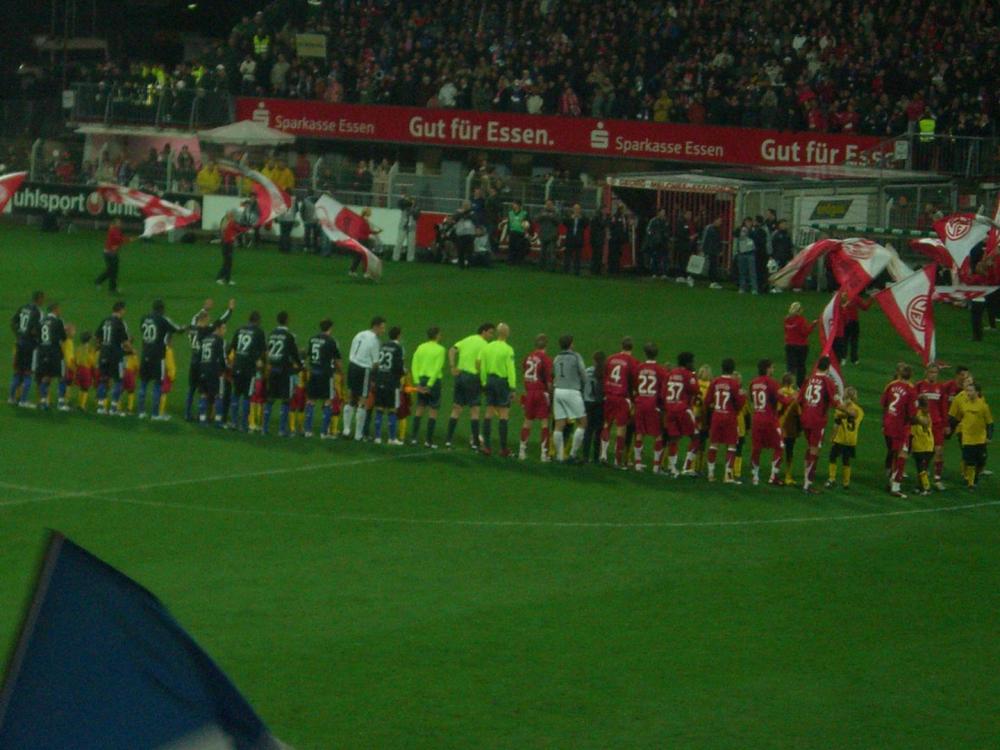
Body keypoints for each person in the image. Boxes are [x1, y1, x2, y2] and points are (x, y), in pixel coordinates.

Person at [445, 322, 495, 449]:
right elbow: (479, 364)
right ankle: (475, 442)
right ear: (483, 331)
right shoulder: (485, 345)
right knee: (475, 411)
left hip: (460, 376)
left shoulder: (468, 339)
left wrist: (452, 366)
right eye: (490, 332)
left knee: (456, 408)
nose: (491, 335)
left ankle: (448, 440)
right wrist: (483, 380)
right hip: (473, 378)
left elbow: (452, 350)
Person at [184, 299, 234, 421]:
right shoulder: (205, 330)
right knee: (207, 389)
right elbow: (220, 321)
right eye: (208, 320)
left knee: (192, 388)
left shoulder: (191, 329)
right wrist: (230, 310)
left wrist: (204, 309)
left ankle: (187, 413)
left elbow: (196, 317)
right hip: (202, 361)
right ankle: (210, 415)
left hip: (193, 359)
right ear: (204, 320)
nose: (209, 322)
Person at [798, 356, 842, 493]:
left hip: (805, 418)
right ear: (828, 368)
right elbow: (835, 403)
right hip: (817, 420)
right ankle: (808, 484)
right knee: (814, 449)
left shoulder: (809, 379)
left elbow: (799, 399)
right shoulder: (827, 381)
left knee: (810, 447)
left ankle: (806, 479)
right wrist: (848, 411)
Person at [137, 300, 186, 420]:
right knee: (158, 385)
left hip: (145, 354)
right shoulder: (163, 319)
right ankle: (155, 414)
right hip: (158, 356)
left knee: (143, 383)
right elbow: (177, 329)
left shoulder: (144, 318)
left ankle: (141, 412)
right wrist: (185, 327)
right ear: (162, 309)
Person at [343, 316, 385, 440]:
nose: (383, 330)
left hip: (352, 366)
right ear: (376, 326)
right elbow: (376, 362)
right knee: (362, 400)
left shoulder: (359, 334)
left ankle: (346, 430)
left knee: (351, 397)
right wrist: (374, 377)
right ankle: (358, 434)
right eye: (382, 327)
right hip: (364, 369)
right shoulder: (375, 341)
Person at [704, 358, 745, 483]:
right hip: (730, 417)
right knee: (731, 445)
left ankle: (710, 474)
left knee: (713, 444)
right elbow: (739, 404)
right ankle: (727, 475)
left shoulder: (715, 381)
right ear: (732, 369)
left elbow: (707, 401)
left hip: (717, 416)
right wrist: (743, 396)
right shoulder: (734, 384)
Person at [478, 322, 516, 456]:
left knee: (488, 412)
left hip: (489, 381)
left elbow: (482, 367)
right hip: (502, 383)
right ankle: (503, 449)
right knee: (504, 414)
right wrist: (512, 387)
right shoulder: (508, 349)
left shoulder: (487, 348)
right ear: (507, 334)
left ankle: (487, 447)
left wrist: (483, 382)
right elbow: (510, 369)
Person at [600, 338, 639, 467]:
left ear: (621, 346)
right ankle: (617, 460)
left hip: (609, 396)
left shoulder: (610, 358)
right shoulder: (633, 362)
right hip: (622, 398)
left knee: (607, 424)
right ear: (632, 348)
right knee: (621, 428)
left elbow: (604, 375)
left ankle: (603, 455)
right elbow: (635, 382)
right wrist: (634, 400)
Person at [263, 311, 302, 437]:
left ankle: (264, 428)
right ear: (287, 320)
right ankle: (281, 430)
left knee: (270, 399)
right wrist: (300, 366)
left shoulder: (272, 334)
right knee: (286, 400)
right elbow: (294, 354)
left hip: (273, 369)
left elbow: (268, 350)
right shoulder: (288, 335)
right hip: (284, 370)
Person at [881, 363, 917, 498]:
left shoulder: (891, 385)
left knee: (894, 453)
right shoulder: (911, 390)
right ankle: (896, 486)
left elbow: (883, 403)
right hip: (901, 427)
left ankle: (891, 482)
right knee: (902, 455)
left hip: (888, 423)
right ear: (911, 375)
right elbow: (912, 415)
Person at [662, 351, 700, 477]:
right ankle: (687, 467)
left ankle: (672, 468)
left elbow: (664, 392)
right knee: (696, 437)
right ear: (687, 362)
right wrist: (694, 374)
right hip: (683, 409)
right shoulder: (688, 374)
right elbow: (695, 390)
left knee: (674, 439)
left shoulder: (671, 373)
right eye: (692, 362)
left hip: (670, 408)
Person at [551, 334, 589, 463]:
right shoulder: (575, 356)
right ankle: (572, 454)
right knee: (583, 422)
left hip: (558, 391)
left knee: (559, 425)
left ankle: (560, 456)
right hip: (572, 391)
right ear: (571, 344)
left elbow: (554, 375)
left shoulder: (556, 358)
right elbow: (584, 374)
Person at [228, 310, 268, 432]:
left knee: (236, 393)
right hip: (249, 368)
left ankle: (234, 422)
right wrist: (262, 362)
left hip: (237, 366)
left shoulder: (240, 329)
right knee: (247, 396)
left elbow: (232, 347)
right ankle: (244, 424)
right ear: (258, 321)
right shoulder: (259, 332)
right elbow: (264, 351)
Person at [949, 382, 993, 489]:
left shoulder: (983, 406)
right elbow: (957, 418)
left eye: (970, 390)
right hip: (967, 438)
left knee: (982, 461)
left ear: (977, 392)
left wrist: (989, 437)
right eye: (967, 390)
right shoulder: (964, 404)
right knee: (970, 461)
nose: (967, 393)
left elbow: (990, 423)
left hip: (980, 438)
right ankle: (970, 483)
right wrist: (950, 429)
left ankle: (975, 476)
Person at [302, 318, 341, 438]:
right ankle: (324, 432)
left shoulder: (312, 339)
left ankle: (307, 430)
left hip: (313, 373)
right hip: (326, 375)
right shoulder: (331, 341)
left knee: (311, 401)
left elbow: (308, 354)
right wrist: (340, 371)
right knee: (328, 401)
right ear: (330, 328)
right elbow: (337, 360)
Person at [748, 359, 785, 486]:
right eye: (772, 368)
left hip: (757, 419)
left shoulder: (753, 382)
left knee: (756, 449)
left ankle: (755, 477)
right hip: (770, 420)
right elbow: (782, 400)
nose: (773, 370)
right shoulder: (773, 383)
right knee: (779, 447)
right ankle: (773, 476)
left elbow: (752, 400)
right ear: (768, 369)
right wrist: (793, 398)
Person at [409, 326, 446, 448]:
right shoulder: (441, 349)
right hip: (433, 382)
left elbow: (414, 364)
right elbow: (437, 368)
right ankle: (428, 441)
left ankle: (413, 438)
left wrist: (417, 382)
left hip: (421, 380)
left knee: (420, 408)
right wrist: (430, 384)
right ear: (436, 335)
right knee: (433, 411)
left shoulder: (420, 347)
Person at [632, 343, 667, 472]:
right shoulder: (660, 370)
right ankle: (656, 466)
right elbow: (663, 390)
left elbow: (635, 385)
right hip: (653, 404)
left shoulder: (639, 368)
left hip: (640, 403)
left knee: (640, 433)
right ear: (656, 354)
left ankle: (637, 464)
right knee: (658, 434)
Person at [519, 334, 553, 461]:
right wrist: (550, 393)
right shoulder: (546, 359)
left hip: (529, 392)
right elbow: (549, 381)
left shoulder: (528, 357)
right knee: (544, 422)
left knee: (527, 421)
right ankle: (544, 454)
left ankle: (522, 451)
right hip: (541, 392)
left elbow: (524, 371)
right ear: (546, 345)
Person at [915, 364, 949, 490]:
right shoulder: (919, 386)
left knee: (939, 451)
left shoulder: (940, 387)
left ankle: (937, 478)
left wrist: (945, 424)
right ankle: (923, 474)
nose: (933, 374)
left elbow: (943, 407)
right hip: (923, 424)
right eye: (931, 372)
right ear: (926, 372)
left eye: (935, 372)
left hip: (937, 424)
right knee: (926, 453)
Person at [9, 290, 44, 407]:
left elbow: (13, 322)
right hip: (29, 346)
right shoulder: (36, 312)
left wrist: (18, 334)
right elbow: (35, 330)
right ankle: (23, 401)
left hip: (20, 343)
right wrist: (38, 340)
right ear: (39, 299)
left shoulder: (23, 308)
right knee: (28, 373)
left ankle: (11, 398)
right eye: (42, 299)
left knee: (18, 372)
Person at [372, 326, 406, 445]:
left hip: (380, 379)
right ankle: (392, 439)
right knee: (392, 409)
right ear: (398, 335)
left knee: (379, 409)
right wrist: (403, 373)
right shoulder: (398, 347)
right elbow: (398, 366)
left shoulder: (383, 346)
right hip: (392, 382)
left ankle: (377, 437)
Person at [95, 300, 130, 416]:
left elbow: (97, 337)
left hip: (104, 353)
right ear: (121, 310)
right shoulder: (120, 322)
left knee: (103, 379)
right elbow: (125, 342)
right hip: (115, 355)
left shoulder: (105, 321)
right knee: (119, 380)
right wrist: (132, 350)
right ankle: (114, 408)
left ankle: (100, 406)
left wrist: (101, 347)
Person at [826, 385, 864, 489]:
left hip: (840, 439)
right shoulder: (860, 411)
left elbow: (836, 425)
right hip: (851, 440)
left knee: (832, 457)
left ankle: (832, 479)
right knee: (846, 460)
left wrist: (832, 437)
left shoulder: (840, 409)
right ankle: (846, 483)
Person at [34, 302, 68, 411]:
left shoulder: (41, 321)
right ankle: (61, 403)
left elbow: (37, 337)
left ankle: (43, 402)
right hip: (55, 352)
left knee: (45, 377)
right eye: (59, 309)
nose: (60, 311)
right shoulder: (58, 321)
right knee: (62, 377)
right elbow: (63, 338)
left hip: (42, 352)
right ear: (55, 310)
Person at [198, 320, 228, 425]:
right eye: (223, 328)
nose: (225, 331)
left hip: (202, 369)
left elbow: (199, 355)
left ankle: (202, 419)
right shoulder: (220, 340)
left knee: (203, 394)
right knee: (218, 395)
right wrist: (226, 368)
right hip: (214, 371)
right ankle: (218, 421)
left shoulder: (205, 339)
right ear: (218, 328)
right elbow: (223, 358)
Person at [581, 351, 606, 463]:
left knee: (588, 430)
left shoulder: (587, 371)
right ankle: (596, 457)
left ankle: (585, 456)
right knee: (598, 431)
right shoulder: (605, 373)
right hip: (600, 403)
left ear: (594, 360)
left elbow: (581, 385)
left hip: (587, 402)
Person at [783, 302, 815, 386]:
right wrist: (813, 325)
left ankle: (788, 385)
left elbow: (786, 331)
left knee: (790, 366)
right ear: (799, 310)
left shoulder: (786, 319)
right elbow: (805, 332)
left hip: (789, 345)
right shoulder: (801, 320)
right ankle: (800, 385)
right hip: (801, 346)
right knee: (801, 366)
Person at [910, 396, 935, 495]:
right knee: (921, 468)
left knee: (921, 468)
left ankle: (926, 488)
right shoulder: (925, 413)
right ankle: (919, 486)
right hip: (927, 445)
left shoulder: (919, 414)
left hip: (922, 445)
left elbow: (914, 421)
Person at [95, 220, 128, 293]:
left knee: (112, 271)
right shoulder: (113, 230)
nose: (120, 224)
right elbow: (118, 239)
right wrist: (126, 240)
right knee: (113, 271)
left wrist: (126, 240)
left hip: (113, 253)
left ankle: (99, 281)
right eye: (118, 223)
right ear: (115, 223)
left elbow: (120, 239)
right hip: (110, 253)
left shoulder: (118, 231)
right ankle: (111, 288)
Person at [841, 294, 872, 364]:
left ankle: (843, 358)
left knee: (844, 340)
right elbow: (865, 307)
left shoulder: (842, 296)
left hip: (845, 322)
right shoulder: (856, 297)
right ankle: (854, 359)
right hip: (854, 322)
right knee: (854, 341)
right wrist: (871, 299)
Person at [643, 208, 669, 279]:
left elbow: (667, 231)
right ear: (658, 213)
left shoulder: (665, 221)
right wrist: (653, 237)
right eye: (662, 212)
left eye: (664, 212)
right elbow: (648, 230)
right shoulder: (653, 221)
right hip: (655, 243)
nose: (663, 213)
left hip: (663, 242)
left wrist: (666, 237)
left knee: (663, 258)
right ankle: (654, 273)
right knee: (655, 258)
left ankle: (663, 273)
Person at [699, 216, 724, 289]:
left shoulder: (716, 229)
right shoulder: (709, 228)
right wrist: (702, 250)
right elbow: (704, 239)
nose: (720, 223)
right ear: (715, 220)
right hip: (710, 250)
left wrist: (719, 250)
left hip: (713, 251)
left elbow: (717, 241)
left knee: (713, 266)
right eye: (719, 221)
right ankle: (712, 281)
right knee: (711, 266)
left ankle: (713, 281)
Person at [535, 199, 560, 272]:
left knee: (551, 252)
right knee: (542, 252)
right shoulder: (542, 212)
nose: (548, 206)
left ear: (552, 205)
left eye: (550, 204)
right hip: (543, 235)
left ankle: (551, 268)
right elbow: (536, 219)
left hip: (552, 235)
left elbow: (559, 222)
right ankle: (541, 267)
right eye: (547, 204)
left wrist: (551, 216)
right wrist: (543, 216)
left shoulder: (556, 212)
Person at [735, 218, 759, 294]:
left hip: (750, 253)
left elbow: (755, 237)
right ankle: (742, 287)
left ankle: (754, 289)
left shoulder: (753, 230)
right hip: (741, 253)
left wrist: (750, 230)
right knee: (742, 272)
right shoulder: (740, 230)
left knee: (752, 272)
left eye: (749, 222)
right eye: (747, 222)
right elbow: (735, 234)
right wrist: (738, 229)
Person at [218, 210, 241, 285]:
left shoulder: (230, 222)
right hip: (227, 244)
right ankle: (219, 278)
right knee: (227, 262)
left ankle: (227, 279)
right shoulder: (229, 223)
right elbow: (238, 229)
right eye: (231, 215)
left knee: (228, 263)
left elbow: (238, 229)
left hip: (228, 244)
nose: (233, 217)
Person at [394, 190, 418, 262]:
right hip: (403, 226)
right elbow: (400, 203)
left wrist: (413, 209)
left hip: (412, 227)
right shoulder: (404, 206)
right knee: (399, 242)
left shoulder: (417, 208)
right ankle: (395, 258)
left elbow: (417, 216)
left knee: (411, 244)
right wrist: (403, 198)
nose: (411, 201)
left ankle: (410, 259)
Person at [453, 201, 477, 269]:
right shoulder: (458, 213)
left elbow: (474, 219)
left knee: (469, 251)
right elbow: (454, 219)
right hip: (460, 233)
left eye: (467, 205)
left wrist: (463, 213)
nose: (466, 207)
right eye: (465, 205)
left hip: (469, 233)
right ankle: (461, 265)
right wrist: (461, 213)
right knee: (460, 250)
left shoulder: (472, 213)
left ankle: (470, 265)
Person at [607, 204, 628, 274]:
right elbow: (611, 226)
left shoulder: (624, 217)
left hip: (620, 240)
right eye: (622, 209)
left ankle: (616, 269)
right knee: (613, 254)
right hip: (614, 239)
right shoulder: (615, 217)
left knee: (618, 254)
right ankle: (611, 269)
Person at [589, 207, 609, 275]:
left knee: (596, 255)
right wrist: (606, 219)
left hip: (596, 239)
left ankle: (595, 269)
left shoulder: (595, 218)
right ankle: (596, 270)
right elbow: (603, 225)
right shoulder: (598, 218)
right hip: (598, 239)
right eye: (605, 210)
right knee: (597, 255)